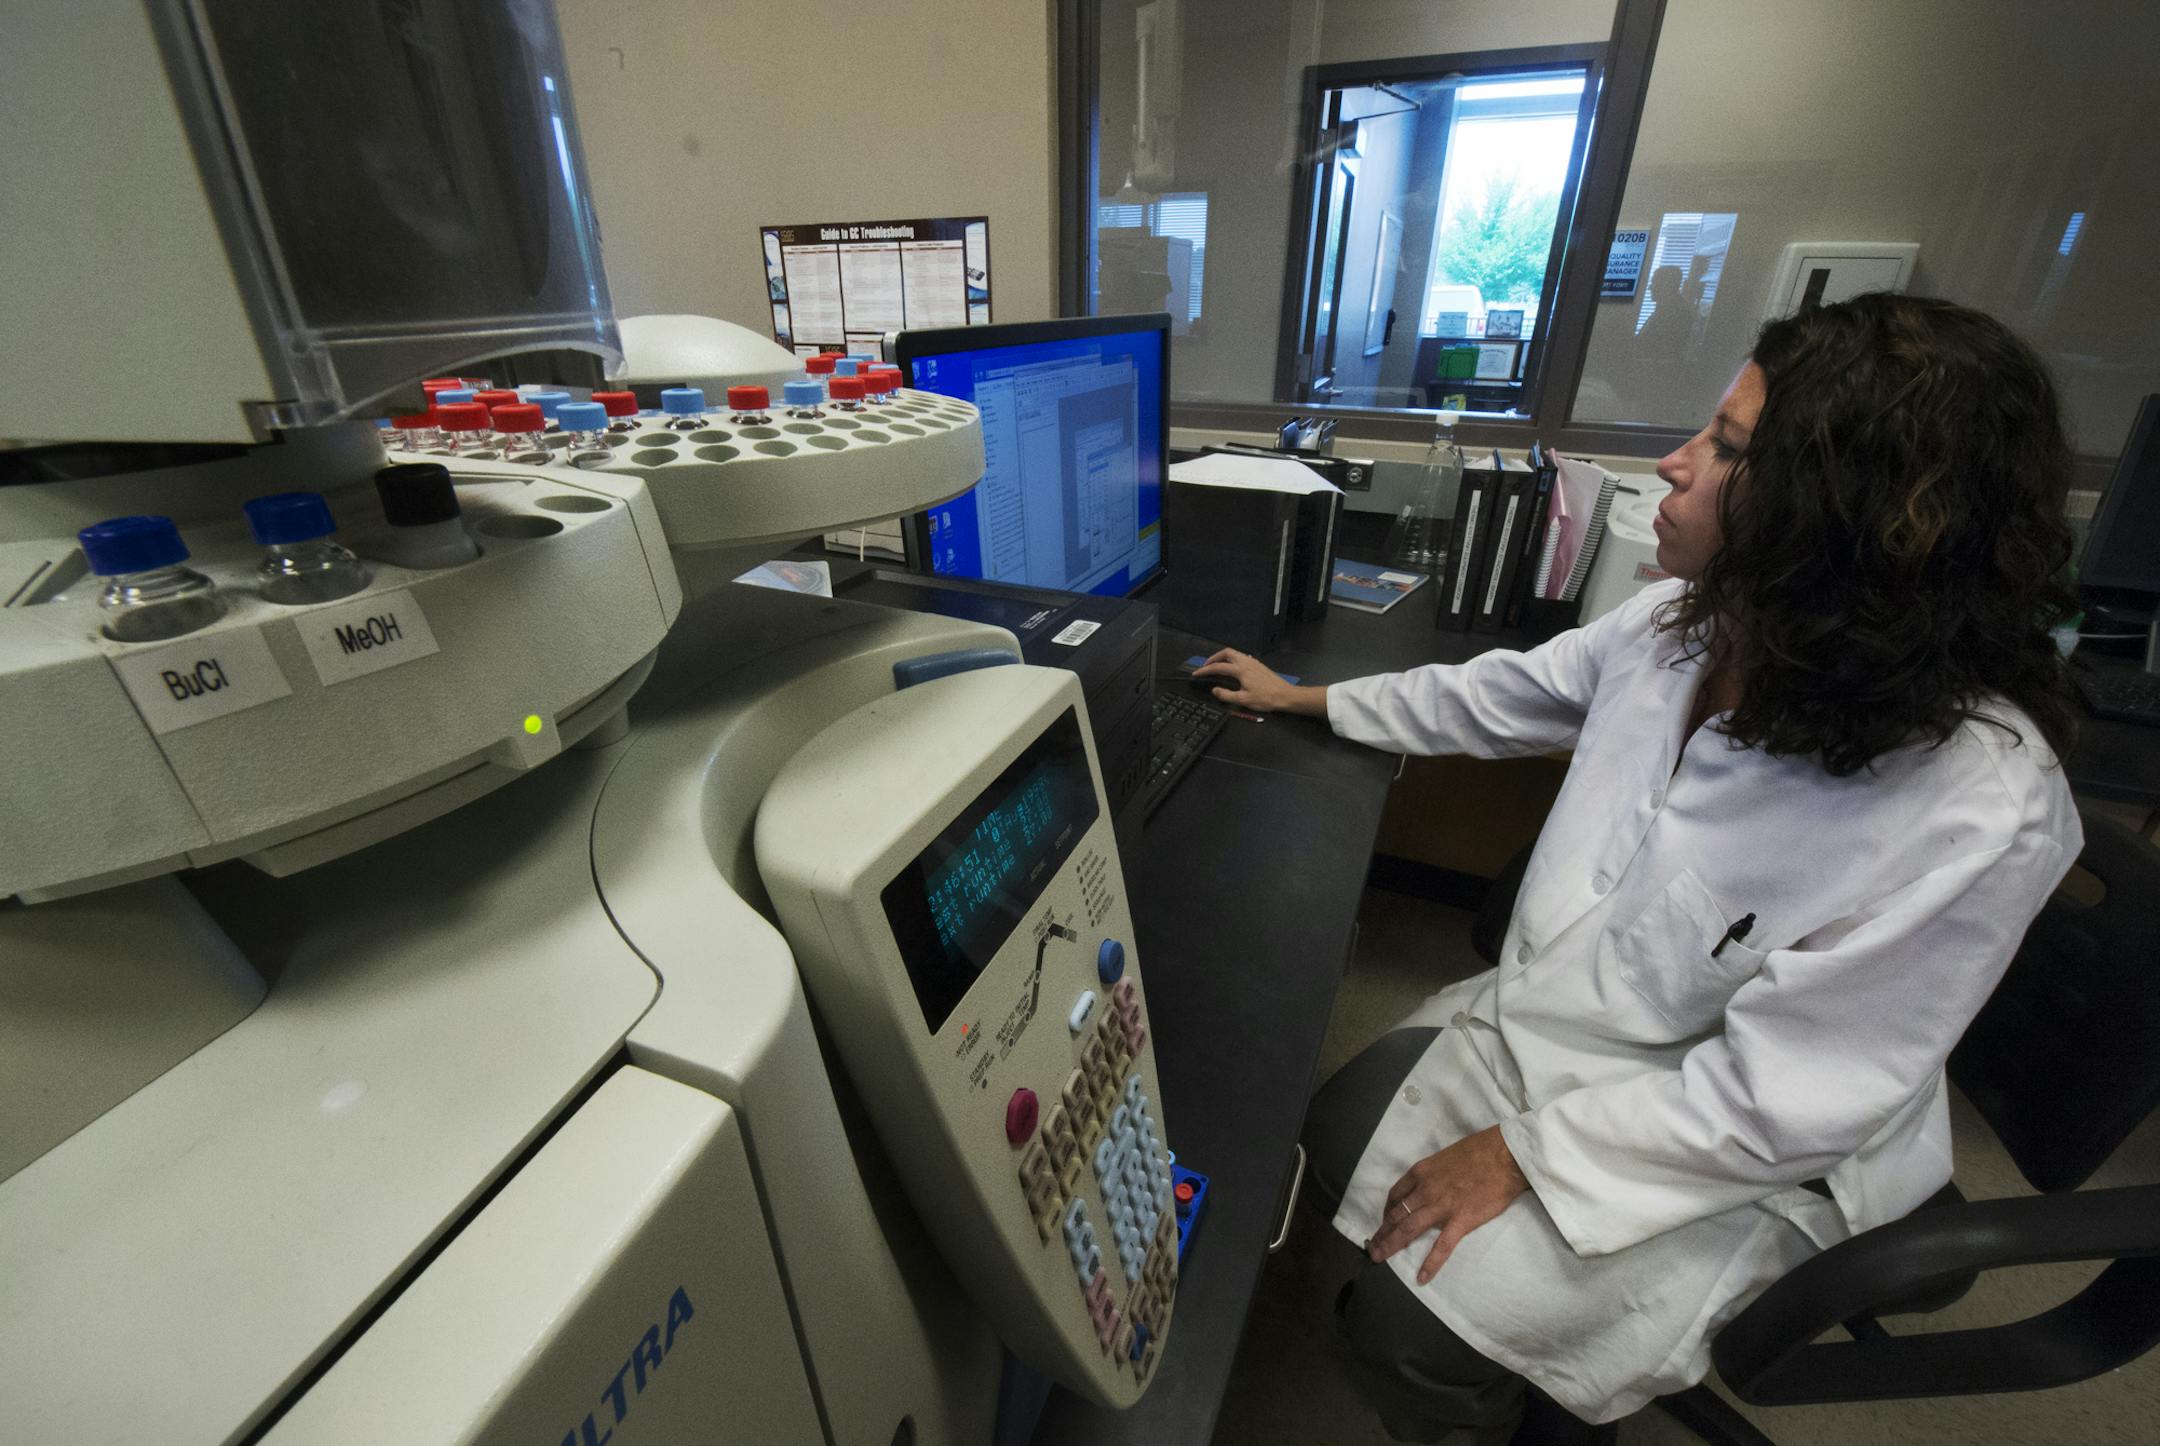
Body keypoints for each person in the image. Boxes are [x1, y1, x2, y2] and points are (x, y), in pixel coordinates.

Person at [1194, 293, 2083, 1441]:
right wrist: (1306, 696)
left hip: (1742, 1148)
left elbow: (1781, 1105)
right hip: (1565, 1032)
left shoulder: (1976, 805)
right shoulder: (1681, 626)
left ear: (1841, 519)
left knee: (1407, 1329)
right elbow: (1499, 694)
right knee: (1322, 1139)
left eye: (1725, 449)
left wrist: (1525, 1156)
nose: (1672, 465)